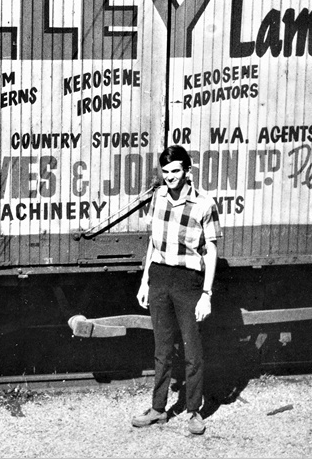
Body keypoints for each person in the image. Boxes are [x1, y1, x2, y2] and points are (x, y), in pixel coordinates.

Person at [132, 145, 222, 435]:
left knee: (192, 350)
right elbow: (152, 243)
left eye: (175, 171)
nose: (170, 177)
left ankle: (194, 410)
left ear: (187, 171)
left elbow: (210, 250)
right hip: (159, 276)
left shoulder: (205, 204)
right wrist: (145, 280)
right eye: (166, 172)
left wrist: (206, 294)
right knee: (162, 348)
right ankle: (158, 409)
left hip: (188, 282)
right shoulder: (157, 197)